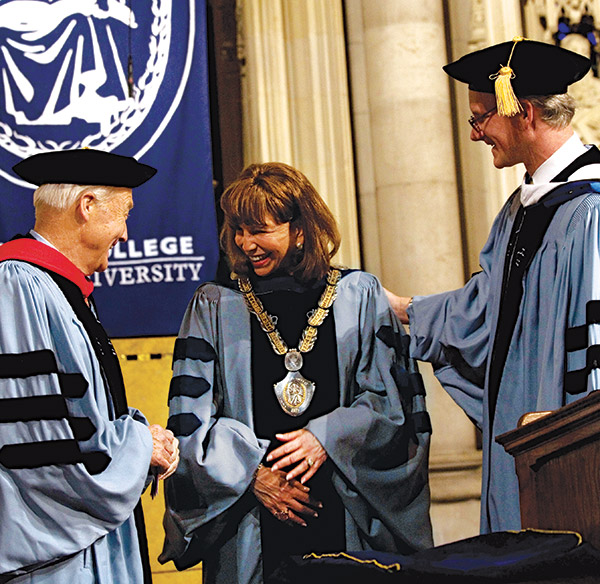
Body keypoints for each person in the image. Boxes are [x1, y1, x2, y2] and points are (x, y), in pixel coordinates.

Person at [159, 162, 433, 584]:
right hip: (249, 520)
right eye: (238, 229)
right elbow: (189, 421)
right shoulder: (214, 306)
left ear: (300, 230)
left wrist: (327, 437)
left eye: (259, 230)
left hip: (346, 518)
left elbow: (392, 405)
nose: (246, 243)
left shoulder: (358, 296)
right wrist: (251, 474)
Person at [386, 38, 600, 535]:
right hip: (524, 448)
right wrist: (399, 310)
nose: (476, 134)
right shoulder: (521, 210)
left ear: (522, 111)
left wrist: (575, 443)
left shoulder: (590, 211)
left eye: (481, 118)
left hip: (571, 459)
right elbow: (485, 311)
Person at [0, 148, 180, 583]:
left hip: (88, 546)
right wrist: (139, 446)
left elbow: (77, 419)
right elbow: (39, 442)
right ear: (87, 206)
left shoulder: (60, 289)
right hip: (53, 556)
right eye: (124, 214)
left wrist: (136, 437)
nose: (124, 232)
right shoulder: (18, 286)